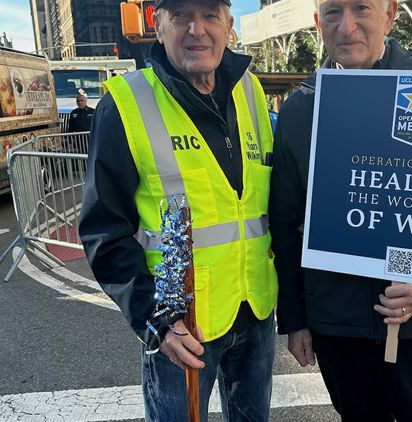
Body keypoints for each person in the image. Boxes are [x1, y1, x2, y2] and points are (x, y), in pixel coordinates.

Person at [269, 1, 412, 421]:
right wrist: (295, 320)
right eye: (332, 12)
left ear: (390, 15)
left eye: (361, 8)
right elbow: (286, 223)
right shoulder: (301, 109)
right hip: (342, 329)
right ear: (317, 23)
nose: (347, 27)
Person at [78, 0, 277, 421]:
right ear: (157, 23)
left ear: (228, 23)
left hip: (255, 310)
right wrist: (155, 319)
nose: (196, 30)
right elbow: (103, 230)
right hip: (181, 327)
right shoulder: (126, 105)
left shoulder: (251, 90)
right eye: (180, 15)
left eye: (209, 15)